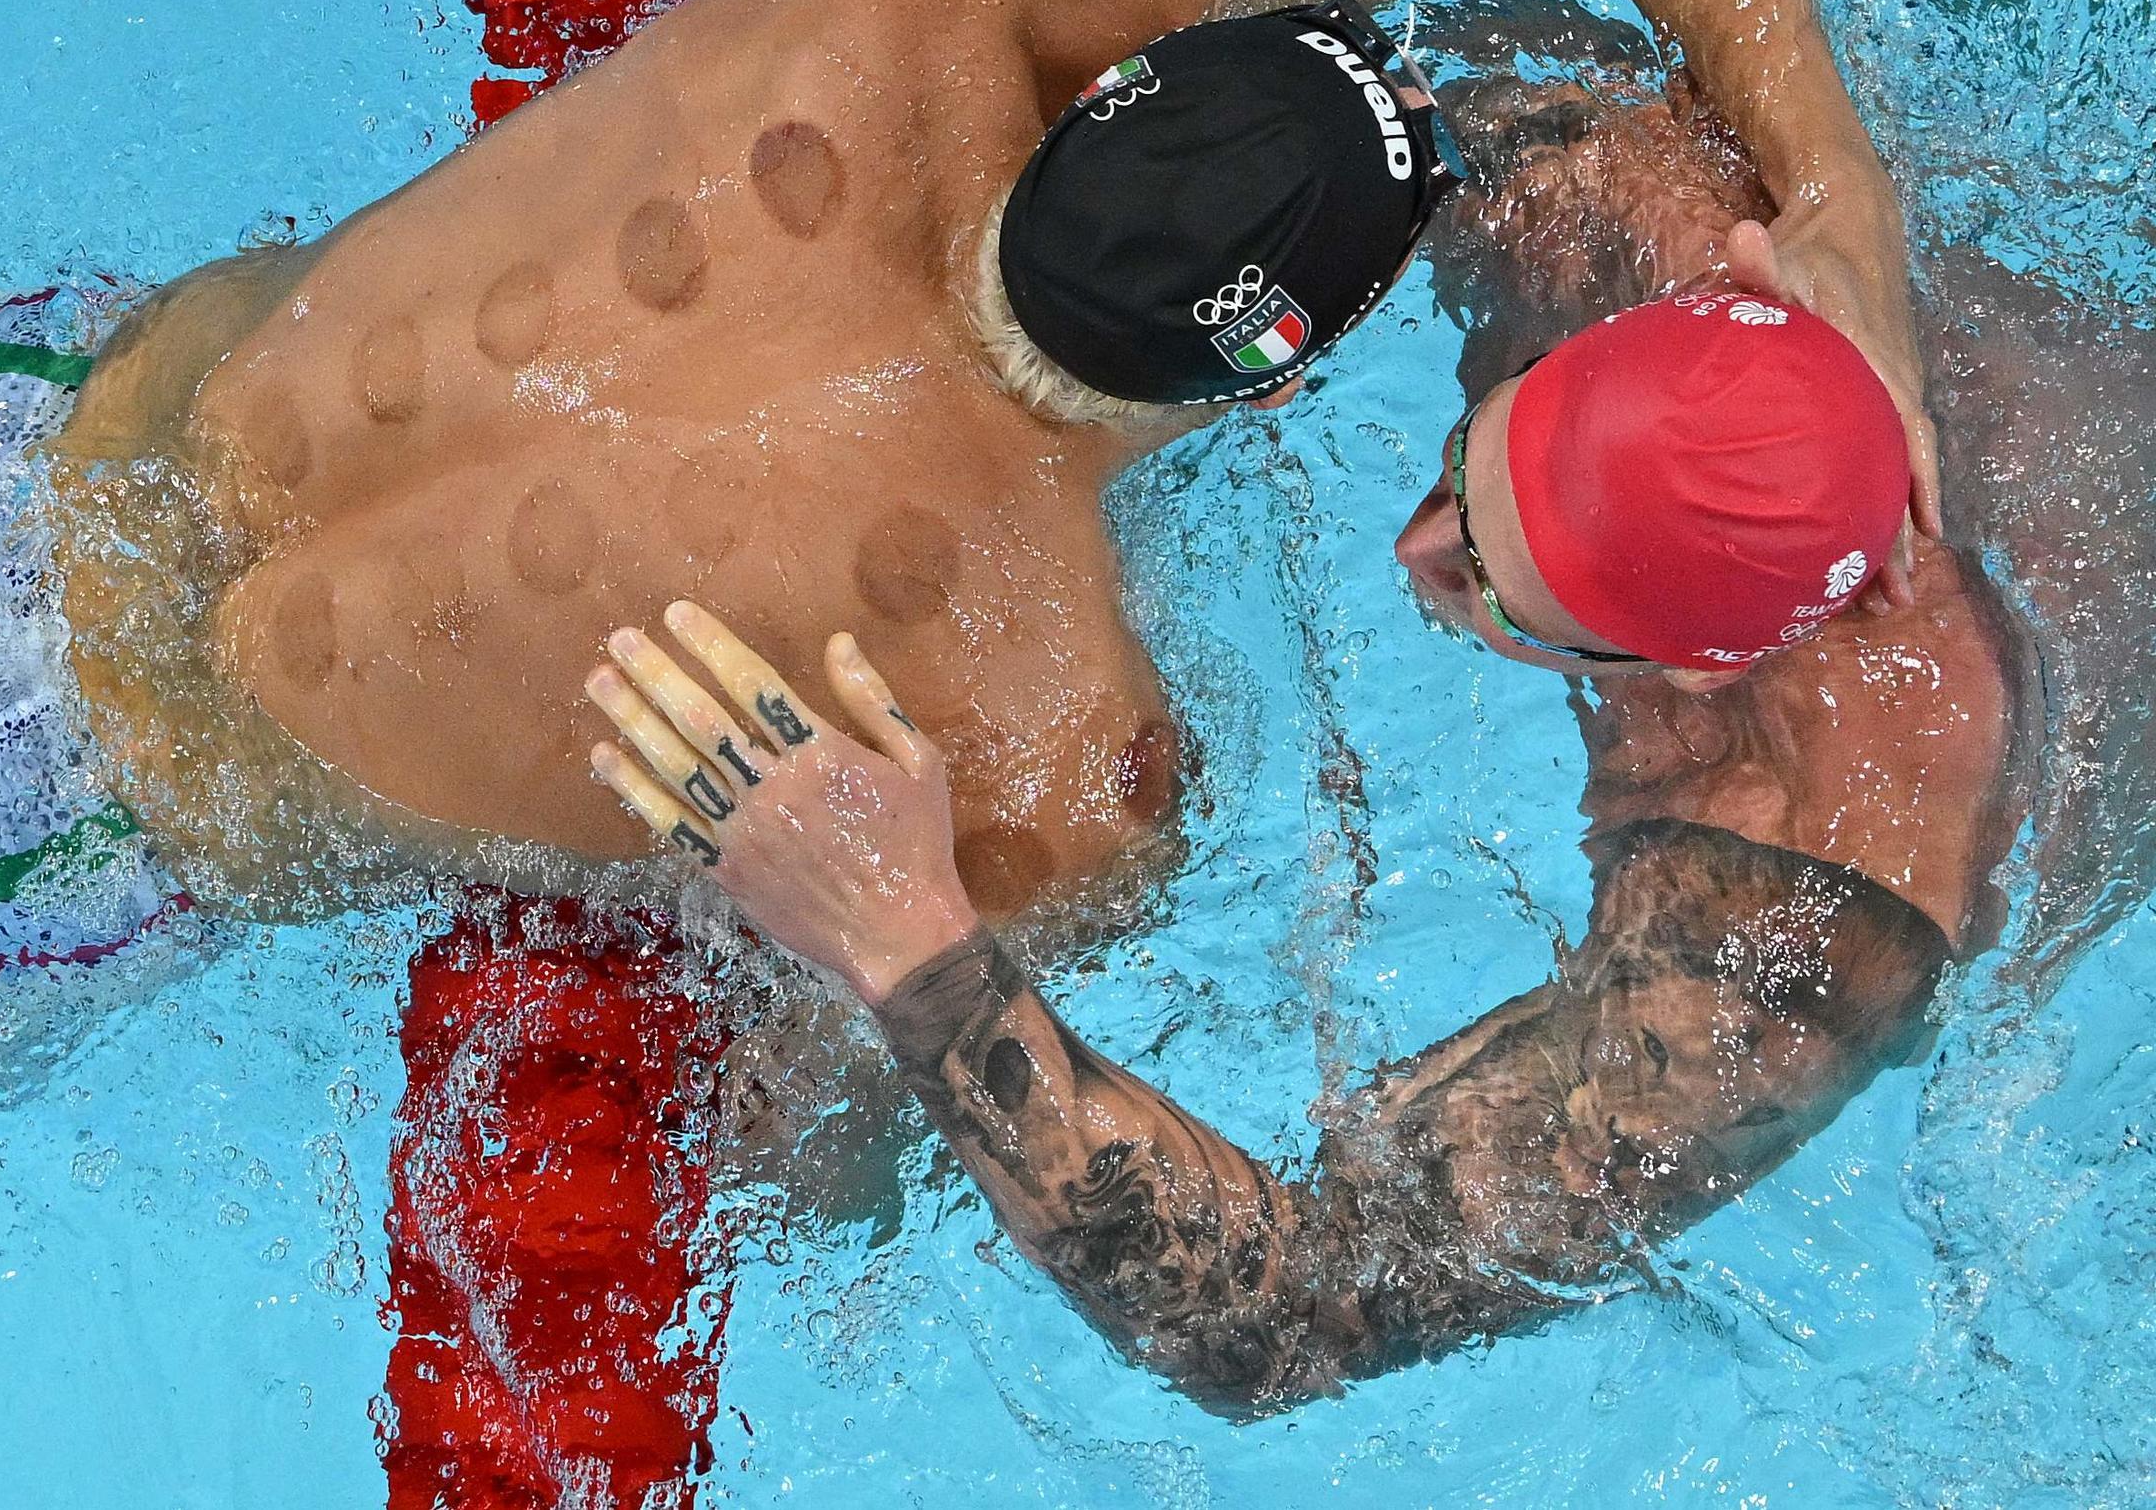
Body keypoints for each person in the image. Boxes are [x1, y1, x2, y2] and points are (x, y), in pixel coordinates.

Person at [39, 0, 1934, 921]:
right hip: (81, 838)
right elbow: (823, 1150)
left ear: (1134, 78)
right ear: (1291, 364)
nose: (1421, 544)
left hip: (49, 428)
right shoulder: (1057, 745)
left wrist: (1839, 180)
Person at [577, 285, 2029, 1416]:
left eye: (1496, 589)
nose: (1416, 549)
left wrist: (909, 946)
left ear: (1699, 672)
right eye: (1470, 465)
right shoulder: (1649, 249)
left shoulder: (1801, 945)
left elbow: (1296, 1321)